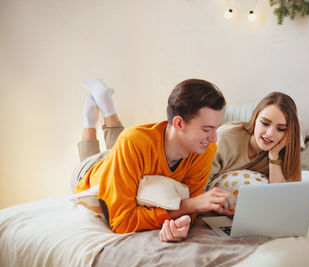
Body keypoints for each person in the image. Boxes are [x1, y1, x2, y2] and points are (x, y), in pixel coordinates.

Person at [72, 78, 236, 242]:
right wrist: (187, 207)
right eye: (207, 129)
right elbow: (122, 221)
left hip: (128, 156)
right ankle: (91, 118)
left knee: (118, 146)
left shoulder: (205, 150)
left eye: (216, 128)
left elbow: (191, 206)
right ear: (179, 123)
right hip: (90, 171)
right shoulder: (132, 143)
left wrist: (182, 221)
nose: (214, 138)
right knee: (110, 149)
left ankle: (105, 106)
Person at [207, 92, 301, 191]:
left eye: (281, 129)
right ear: (255, 118)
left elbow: (283, 194)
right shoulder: (225, 137)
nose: (270, 134)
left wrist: (274, 156)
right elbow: (200, 183)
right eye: (265, 123)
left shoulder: (284, 150)